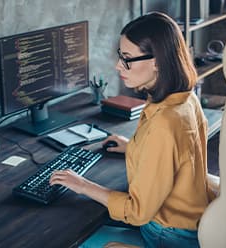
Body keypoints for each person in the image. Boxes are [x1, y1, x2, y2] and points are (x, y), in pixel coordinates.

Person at [49, 12, 217, 248]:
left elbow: (137, 212)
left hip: (167, 235)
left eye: (127, 57)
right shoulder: (184, 98)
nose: (118, 65)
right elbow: (176, 154)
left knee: (66, 237)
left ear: (157, 61)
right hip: (190, 220)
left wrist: (83, 185)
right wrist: (133, 147)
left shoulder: (164, 122)